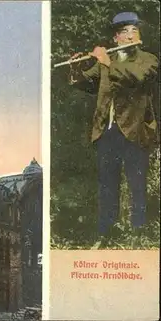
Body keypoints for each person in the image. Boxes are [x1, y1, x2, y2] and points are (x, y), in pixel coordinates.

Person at [68, 12, 159, 249]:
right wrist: (76, 68)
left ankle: (138, 232)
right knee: (107, 185)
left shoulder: (148, 59)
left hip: (135, 131)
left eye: (134, 31)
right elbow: (85, 83)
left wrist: (108, 63)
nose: (130, 36)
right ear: (116, 38)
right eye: (125, 32)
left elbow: (137, 78)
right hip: (107, 133)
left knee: (137, 184)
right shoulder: (105, 62)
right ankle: (106, 232)